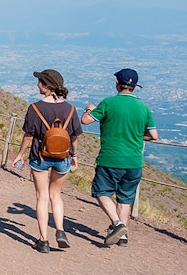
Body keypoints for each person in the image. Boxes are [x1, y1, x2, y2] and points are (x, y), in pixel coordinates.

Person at [81, 68, 158, 247]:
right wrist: (138, 136)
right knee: (125, 199)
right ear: (134, 86)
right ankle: (122, 237)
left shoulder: (108, 103)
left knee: (101, 192)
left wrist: (89, 109)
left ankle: (117, 224)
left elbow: (85, 120)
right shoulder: (143, 107)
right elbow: (154, 135)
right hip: (134, 162)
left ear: (117, 83)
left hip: (110, 158)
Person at [11, 70, 81, 253]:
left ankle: (44, 240)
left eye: (40, 82)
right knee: (56, 195)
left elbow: (28, 136)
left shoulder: (35, 108)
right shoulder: (71, 109)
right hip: (62, 158)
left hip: (40, 157)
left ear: (47, 86)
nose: (37, 85)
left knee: (42, 197)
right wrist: (75, 155)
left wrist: (20, 154)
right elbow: (74, 137)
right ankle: (60, 230)